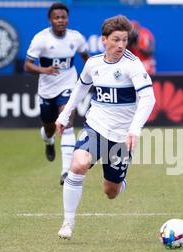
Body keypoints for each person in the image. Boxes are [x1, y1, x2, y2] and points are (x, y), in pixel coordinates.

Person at [55, 15, 156, 239]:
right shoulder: (94, 63)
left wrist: (134, 129)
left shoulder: (133, 65)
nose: (121, 45)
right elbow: (80, 89)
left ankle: (120, 182)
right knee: (79, 164)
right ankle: (68, 223)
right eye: (116, 40)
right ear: (104, 40)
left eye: (124, 40)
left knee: (111, 192)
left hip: (121, 137)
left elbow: (148, 99)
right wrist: (65, 116)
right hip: (96, 127)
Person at [24, 2, 89, 185]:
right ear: (50, 20)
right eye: (57, 17)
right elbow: (27, 65)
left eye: (63, 17)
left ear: (67, 19)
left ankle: (66, 172)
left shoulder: (76, 38)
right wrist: (43, 70)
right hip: (47, 90)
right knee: (49, 129)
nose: (61, 21)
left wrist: (94, 74)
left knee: (67, 124)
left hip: (68, 85)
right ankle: (48, 141)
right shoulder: (41, 39)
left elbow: (86, 57)